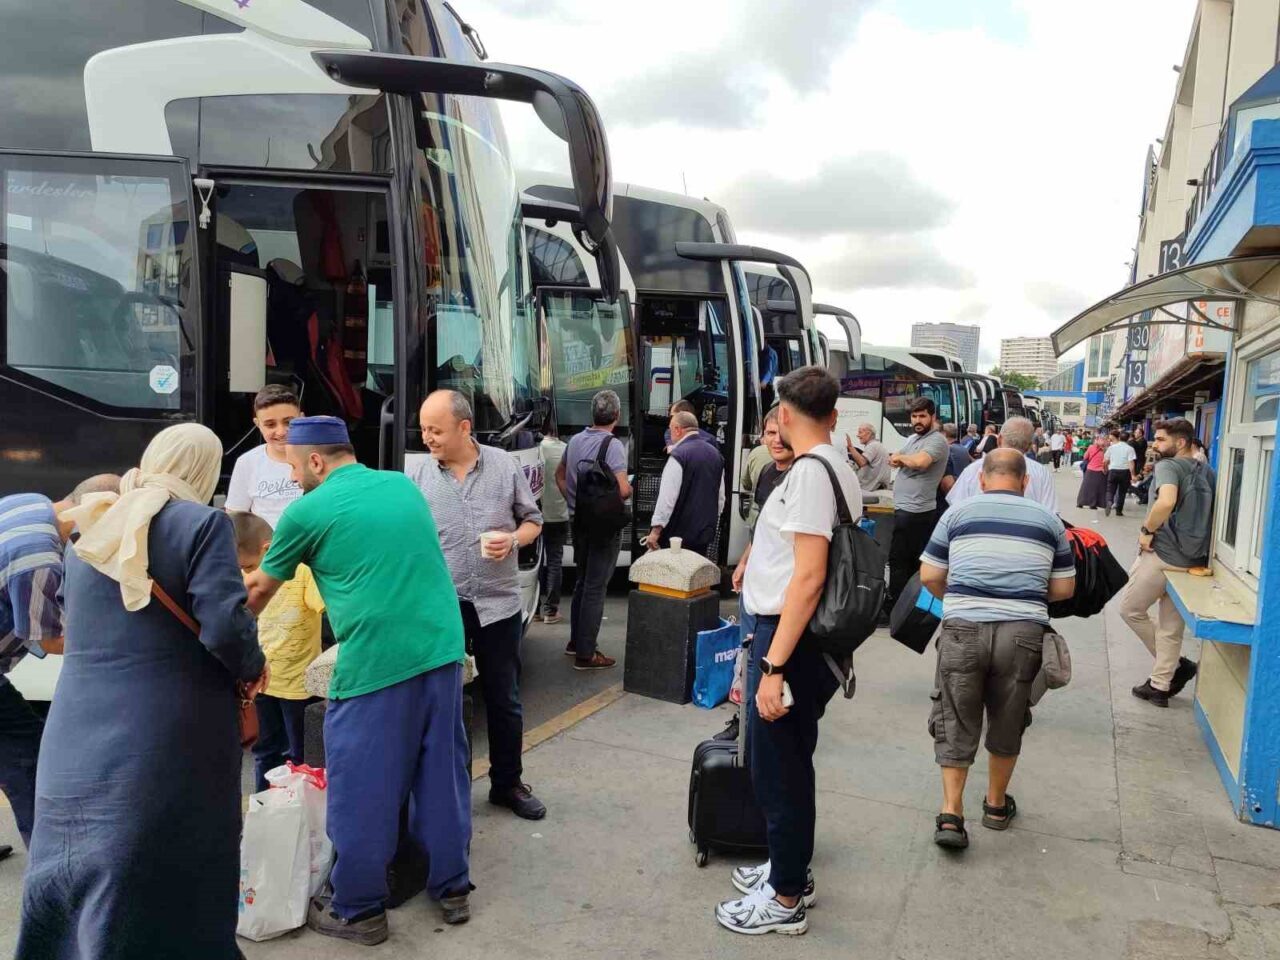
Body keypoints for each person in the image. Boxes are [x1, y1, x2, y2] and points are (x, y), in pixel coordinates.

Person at [19, 426, 267, 959]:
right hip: (166, 729)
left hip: (73, 727)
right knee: (174, 857)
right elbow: (225, 627)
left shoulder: (96, 528)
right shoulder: (202, 524)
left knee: (80, 856)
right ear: (203, 468)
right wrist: (254, 665)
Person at [245, 416, 472, 943]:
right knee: (441, 773)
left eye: (297, 468)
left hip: (376, 663)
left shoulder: (306, 511)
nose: (295, 480)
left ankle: (357, 908)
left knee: (361, 789)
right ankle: (453, 887)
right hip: (441, 648)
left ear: (318, 461)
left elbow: (257, 593)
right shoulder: (400, 485)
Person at [715, 366, 860, 937]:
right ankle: (789, 868)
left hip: (789, 641)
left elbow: (807, 578)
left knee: (780, 772)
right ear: (830, 414)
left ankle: (785, 899)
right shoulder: (835, 465)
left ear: (785, 414)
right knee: (791, 765)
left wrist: (772, 666)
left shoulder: (809, 476)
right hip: (797, 639)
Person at [920, 450, 1075, 850]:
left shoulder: (957, 514)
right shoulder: (1048, 521)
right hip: (1023, 635)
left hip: (962, 630)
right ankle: (994, 805)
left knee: (955, 716)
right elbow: (1063, 589)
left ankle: (952, 815)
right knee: (1008, 718)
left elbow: (930, 575)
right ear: (1025, 482)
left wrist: (959, 599)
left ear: (983, 480)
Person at [409, 390, 546, 820]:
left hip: (497, 604)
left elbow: (534, 522)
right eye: (424, 429)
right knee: (441, 699)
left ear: (464, 428)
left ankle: (507, 784)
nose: (427, 437)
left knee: (503, 697)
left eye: (435, 429)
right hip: (443, 604)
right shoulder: (419, 475)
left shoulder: (503, 466)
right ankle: (445, 791)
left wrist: (513, 541)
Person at [0, 474, 118, 865]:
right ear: (97, 511)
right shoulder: (38, 559)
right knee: (25, 749)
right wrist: (120, 642)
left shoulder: (30, 500)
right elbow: (47, 638)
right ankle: (52, 860)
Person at [1119, 419, 1212, 708]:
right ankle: (1160, 686)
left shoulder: (1169, 466)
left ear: (1180, 442)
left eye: (1160, 440)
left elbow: (1166, 501)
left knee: (1131, 609)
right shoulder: (1208, 471)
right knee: (1171, 627)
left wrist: (1147, 531)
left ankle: (1177, 667)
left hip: (1164, 554)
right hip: (1194, 559)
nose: (1155, 445)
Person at [233, 510, 325, 793]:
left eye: (249, 568)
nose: (247, 576)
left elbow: (326, 607)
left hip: (297, 685)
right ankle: (264, 810)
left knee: (299, 757)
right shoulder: (241, 573)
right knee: (264, 753)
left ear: (268, 549)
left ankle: (297, 816)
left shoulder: (303, 572)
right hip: (261, 683)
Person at [723, 407, 794, 743]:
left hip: (781, 594)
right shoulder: (767, 472)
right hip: (756, 582)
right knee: (747, 652)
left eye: (781, 433)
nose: (776, 440)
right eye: (769, 434)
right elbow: (761, 529)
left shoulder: (801, 476)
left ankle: (763, 724)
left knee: (771, 661)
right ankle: (745, 717)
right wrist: (744, 563)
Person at [557, 390, 632, 671]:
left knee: (582, 582)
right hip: (603, 527)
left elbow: (560, 476)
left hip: (579, 522)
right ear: (617, 415)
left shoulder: (575, 440)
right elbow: (623, 489)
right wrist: (627, 490)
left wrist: (574, 500)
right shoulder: (613, 445)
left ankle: (576, 642)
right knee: (596, 587)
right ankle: (586, 654)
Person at [885, 398, 949, 608]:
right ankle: (908, 605)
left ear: (933, 417)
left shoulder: (936, 440)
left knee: (901, 562)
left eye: (922, 416)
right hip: (905, 509)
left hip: (916, 511)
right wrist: (903, 458)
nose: (918, 420)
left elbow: (920, 462)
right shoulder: (913, 439)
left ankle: (898, 606)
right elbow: (896, 458)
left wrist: (902, 459)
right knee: (905, 561)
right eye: (914, 416)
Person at [644, 411, 725, 557]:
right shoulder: (716, 455)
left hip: (676, 537)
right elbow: (720, 498)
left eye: (670, 428)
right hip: (703, 535)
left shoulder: (679, 455)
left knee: (674, 576)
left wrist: (655, 531)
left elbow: (667, 498)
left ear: (677, 429)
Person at [225, 383, 304, 528]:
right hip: (267, 549)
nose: (281, 431)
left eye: (288, 422)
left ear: (302, 418)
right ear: (257, 424)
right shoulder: (247, 462)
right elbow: (235, 517)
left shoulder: (316, 457)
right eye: (270, 425)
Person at [946, 417, 1058, 513]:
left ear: (999, 439)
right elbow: (1051, 513)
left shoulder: (974, 469)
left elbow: (955, 505)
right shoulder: (1042, 473)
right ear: (1029, 446)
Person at [537, 431, 569, 624]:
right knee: (555, 561)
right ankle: (551, 611)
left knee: (537, 562)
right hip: (559, 514)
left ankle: (536, 610)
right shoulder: (566, 450)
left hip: (537, 515)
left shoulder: (537, 449)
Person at [937, 422, 974, 515]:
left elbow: (947, 484)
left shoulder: (948, 450)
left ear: (944, 434)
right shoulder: (963, 449)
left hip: (949, 500)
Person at [846, 421, 890, 492]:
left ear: (869, 434)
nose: (858, 435)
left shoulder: (873, 446)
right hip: (877, 488)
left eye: (860, 432)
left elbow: (862, 462)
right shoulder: (876, 445)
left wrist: (850, 447)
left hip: (873, 490)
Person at [1103, 430, 1138, 517]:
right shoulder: (1130, 449)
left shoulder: (1112, 447)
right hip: (1124, 472)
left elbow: (1105, 461)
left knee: (1110, 490)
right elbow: (1131, 463)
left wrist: (1105, 469)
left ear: (1119, 438)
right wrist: (1133, 474)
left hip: (1113, 470)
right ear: (1128, 439)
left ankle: (1109, 501)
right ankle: (1119, 511)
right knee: (1122, 492)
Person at [1076, 433, 1110, 511]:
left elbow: (1085, 457)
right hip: (1100, 471)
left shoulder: (1091, 447)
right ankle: (1093, 504)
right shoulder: (1106, 450)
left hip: (1090, 470)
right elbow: (1107, 461)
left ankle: (1080, 503)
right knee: (1097, 489)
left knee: (1086, 487)